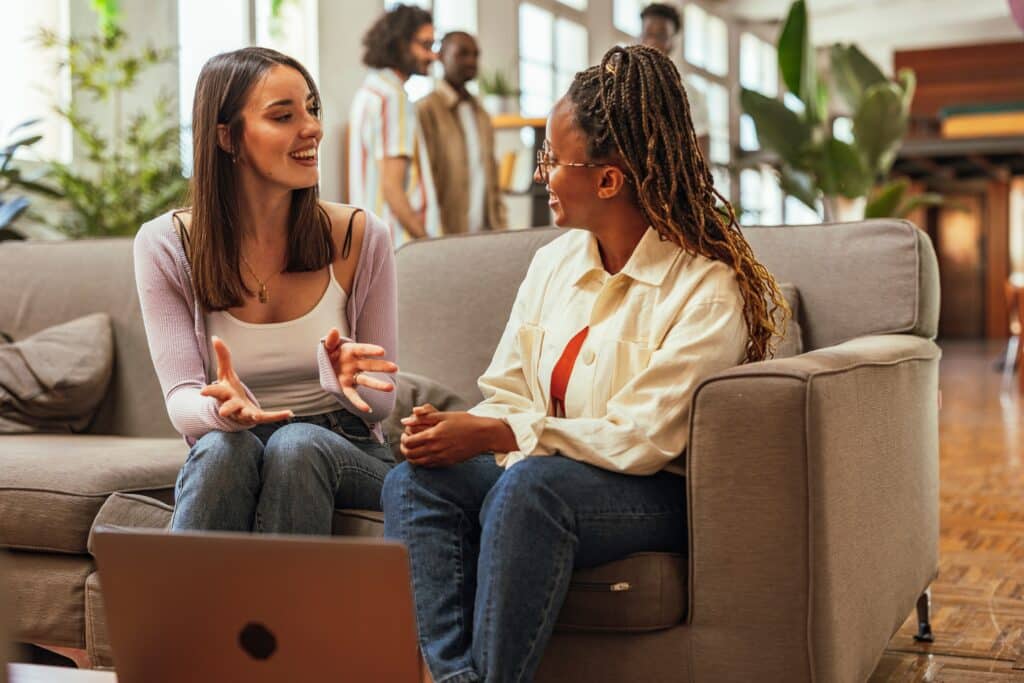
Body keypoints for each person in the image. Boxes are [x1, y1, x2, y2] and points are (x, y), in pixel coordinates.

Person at [382, 45, 786, 683]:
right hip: (540, 474)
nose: (541, 173)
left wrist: (500, 434)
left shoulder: (705, 291)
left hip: (649, 490)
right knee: (413, 483)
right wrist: (460, 432)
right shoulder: (553, 262)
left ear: (607, 179)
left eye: (551, 158)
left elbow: (644, 435)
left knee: (528, 490)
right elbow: (509, 386)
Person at [134, 47, 400, 535]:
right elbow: (180, 398)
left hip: (345, 445)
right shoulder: (168, 244)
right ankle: (183, 613)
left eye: (312, 109)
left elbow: (383, 404)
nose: (313, 128)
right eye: (284, 116)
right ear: (227, 137)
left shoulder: (359, 235)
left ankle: (283, 614)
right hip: (234, 438)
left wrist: (339, 378)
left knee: (295, 443)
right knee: (220, 449)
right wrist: (219, 410)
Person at [349, 4, 441, 247]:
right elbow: (392, 187)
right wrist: (427, 242)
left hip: (378, 241)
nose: (433, 56)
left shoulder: (371, 90)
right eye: (425, 46)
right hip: (400, 244)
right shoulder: (392, 97)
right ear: (400, 44)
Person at [417, 31, 507, 235]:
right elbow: (424, 178)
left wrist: (500, 223)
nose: (471, 61)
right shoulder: (426, 109)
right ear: (440, 56)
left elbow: (491, 174)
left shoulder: (481, 113)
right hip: (444, 232)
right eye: (463, 54)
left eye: (476, 55)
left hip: (486, 231)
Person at [640, 2, 712, 161]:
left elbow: (702, 151)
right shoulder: (621, 86)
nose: (652, 41)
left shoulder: (691, 95)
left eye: (661, 36)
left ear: (672, 42)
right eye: (647, 34)